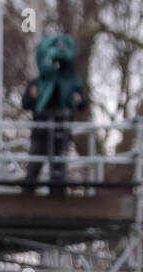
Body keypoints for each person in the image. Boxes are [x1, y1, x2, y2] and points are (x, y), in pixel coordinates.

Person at [21, 34, 88, 196]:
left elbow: (83, 103)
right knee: (34, 167)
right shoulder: (38, 82)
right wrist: (32, 96)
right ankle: (26, 197)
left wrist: (77, 100)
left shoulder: (72, 82)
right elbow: (25, 103)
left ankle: (57, 197)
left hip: (62, 130)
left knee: (59, 169)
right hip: (40, 132)